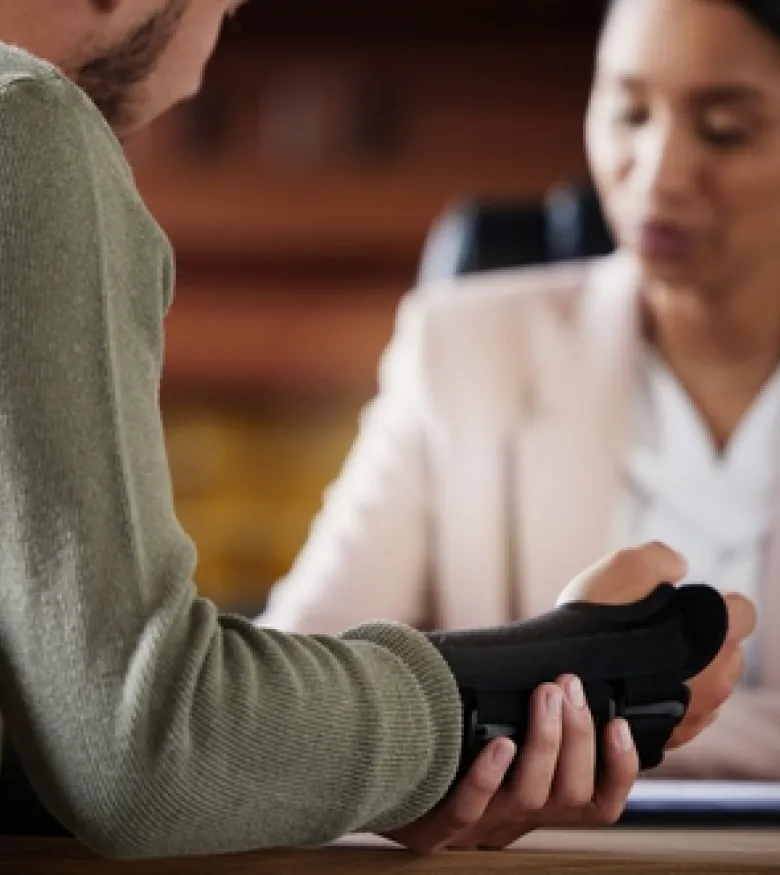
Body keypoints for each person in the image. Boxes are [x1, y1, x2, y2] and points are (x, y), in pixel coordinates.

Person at [0, 0, 751, 860]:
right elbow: (147, 750)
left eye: (729, 127)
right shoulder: (23, 124)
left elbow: (66, 734)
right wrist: (580, 668)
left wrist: (373, 774)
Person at [259, 0, 780, 780]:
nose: (659, 171)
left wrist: (510, 709)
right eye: (628, 110)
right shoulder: (461, 350)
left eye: (725, 129)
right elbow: (289, 691)